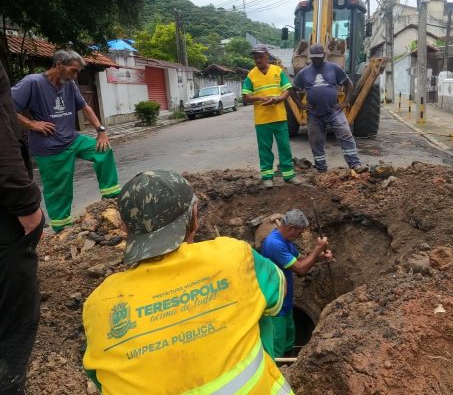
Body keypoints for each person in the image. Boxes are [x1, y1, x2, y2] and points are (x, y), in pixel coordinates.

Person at [82, 170, 293, 394]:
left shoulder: (98, 305)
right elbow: (278, 294)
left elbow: (99, 378)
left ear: (125, 229)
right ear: (193, 217)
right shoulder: (233, 256)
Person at [11, 49, 120, 232]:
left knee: (103, 148)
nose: (75, 76)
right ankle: (63, 230)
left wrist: (101, 131)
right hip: (48, 147)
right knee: (59, 190)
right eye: (73, 70)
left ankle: (111, 197)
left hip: (72, 139)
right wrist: (31, 124)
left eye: (77, 72)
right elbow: (6, 107)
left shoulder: (68, 84)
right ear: (59, 65)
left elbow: (85, 107)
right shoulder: (33, 82)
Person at [0, 61, 45, 394]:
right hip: (6, 212)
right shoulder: (32, 82)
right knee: (13, 313)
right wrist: (26, 204)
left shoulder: (68, 88)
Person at [261, 209, 332, 358]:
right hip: (275, 308)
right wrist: (317, 248)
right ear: (291, 228)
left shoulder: (286, 242)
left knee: (288, 343)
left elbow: (300, 260)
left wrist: (320, 257)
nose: (299, 236)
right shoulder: (274, 243)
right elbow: (300, 269)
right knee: (276, 351)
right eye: (299, 233)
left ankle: (289, 369)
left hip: (286, 305)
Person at [290, 43, 369, 174]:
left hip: (334, 111)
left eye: (319, 57)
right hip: (314, 114)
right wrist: (301, 105)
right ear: (310, 57)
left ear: (324, 56)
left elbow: (348, 84)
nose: (316, 60)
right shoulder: (304, 72)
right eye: (313, 57)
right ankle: (321, 168)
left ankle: (355, 164)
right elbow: (293, 90)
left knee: (346, 135)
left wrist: (346, 102)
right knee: (316, 142)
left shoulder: (333, 68)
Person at [242, 44, 301, 188]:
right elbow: (245, 97)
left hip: (279, 117)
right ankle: (267, 176)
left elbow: (287, 90)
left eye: (260, 56)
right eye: (255, 57)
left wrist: (278, 99)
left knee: (284, 146)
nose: (257, 60)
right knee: (264, 148)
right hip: (262, 120)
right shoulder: (251, 75)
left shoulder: (277, 71)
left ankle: (288, 175)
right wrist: (259, 98)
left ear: (267, 56)